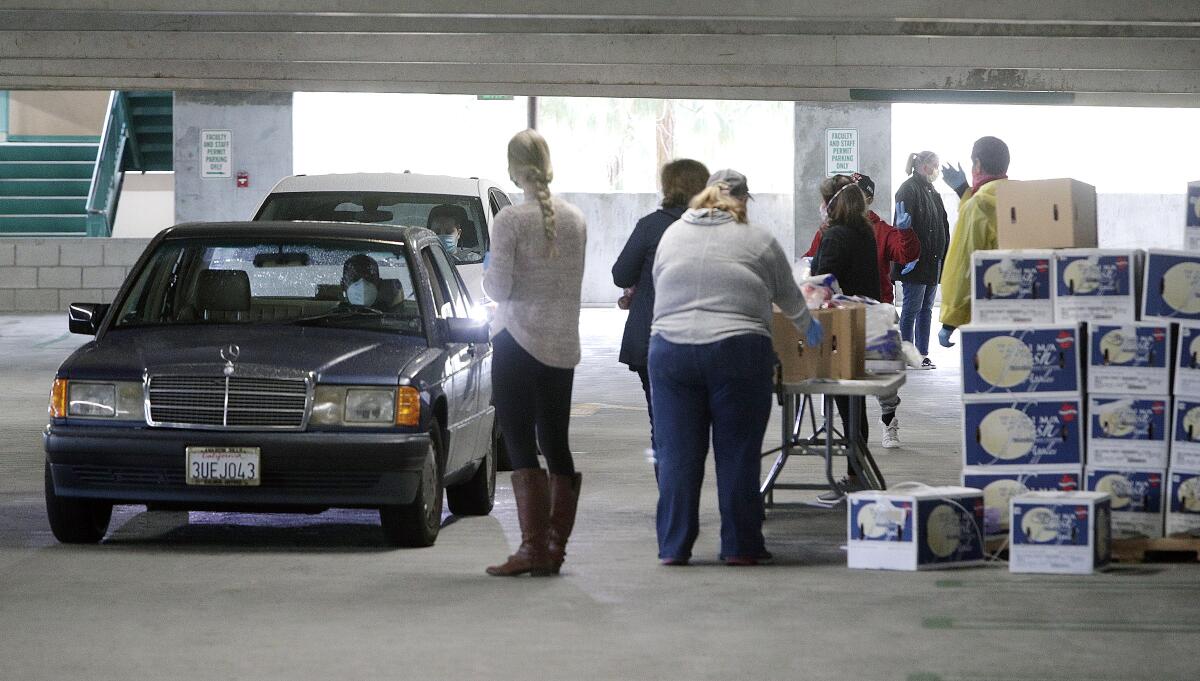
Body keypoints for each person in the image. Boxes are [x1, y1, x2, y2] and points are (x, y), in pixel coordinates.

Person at [650, 169, 820, 566]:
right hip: (737, 352)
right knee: (738, 454)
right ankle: (740, 546)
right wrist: (808, 327)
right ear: (743, 200)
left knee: (676, 454)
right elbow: (789, 294)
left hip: (671, 351)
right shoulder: (757, 239)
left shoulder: (672, 234)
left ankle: (674, 547)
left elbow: (662, 283)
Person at [483, 129, 587, 577]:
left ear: (513, 168)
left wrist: (489, 275)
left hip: (516, 341)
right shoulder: (576, 219)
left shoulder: (510, 220)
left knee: (521, 443)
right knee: (557, 444)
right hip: (562, 344)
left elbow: (498, 287)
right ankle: (554, 548)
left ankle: (531, 549)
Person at [803, 173, 918, 449]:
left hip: (864, 315)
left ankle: (885, 425)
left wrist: (905, 233)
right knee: (853, 396)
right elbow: (815, 257)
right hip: (862, 315)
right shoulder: (858, 231)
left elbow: (823, 278)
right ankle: (856, 464)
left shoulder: (871, 230)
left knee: (877, 388)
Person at [612, 158, 710, 460]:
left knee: (663, 424)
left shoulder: (650, 226)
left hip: (652, 337)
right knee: (696, 423)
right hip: (703, 338)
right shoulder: (715, 227)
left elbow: (621, 275)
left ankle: (670, 495)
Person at [809, 178, 881, 502]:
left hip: (839, 325)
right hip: (862, 320)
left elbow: (822, 281)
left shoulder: (835, 236)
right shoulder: (864, 232)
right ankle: (857, 471)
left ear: (832, 203)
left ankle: (855, 476)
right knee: (855, 404)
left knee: (847, 404)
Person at [937, 136, 1011, 347]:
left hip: (987, 312)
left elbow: (962, 265)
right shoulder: (1020, 197)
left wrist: (950, 320)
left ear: (977, 164)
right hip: (1025, 307)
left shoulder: (977, 205)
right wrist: (963, 191)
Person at [894, 151, 950, 369]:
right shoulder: (908, 189)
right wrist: (909, 255)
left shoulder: (931, 191)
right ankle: (907, 353)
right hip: (915, 260)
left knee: (926, 308)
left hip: (932, 260)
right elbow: (904, 228)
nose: (936, 170)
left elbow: (941, 225)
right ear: (924, 166)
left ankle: (922, 354)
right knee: (912, 308)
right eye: (934, 165)